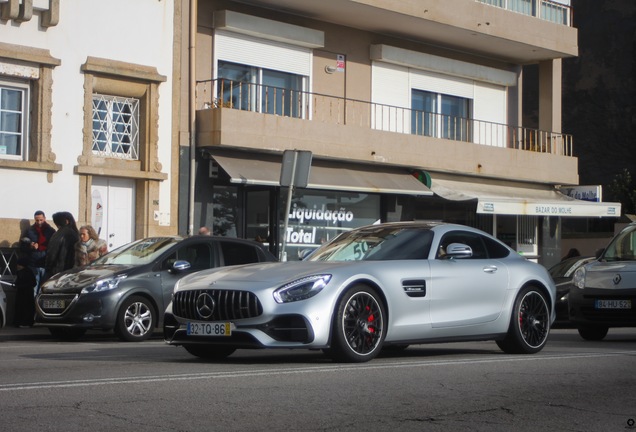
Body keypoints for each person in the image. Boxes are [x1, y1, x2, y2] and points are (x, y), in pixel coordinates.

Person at [20, 210, 56, 295]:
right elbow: (22, 247)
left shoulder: (51, 231)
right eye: (37, 220)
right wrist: (30, 247)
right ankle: (33, 307)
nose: (39, 222)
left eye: (41, 220)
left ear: (45, 218)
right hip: (33, 264)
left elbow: (54, 247)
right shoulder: (29, 231)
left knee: (44, 289)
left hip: (46, 264)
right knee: (34, 290)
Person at [44, 212, 80, 281]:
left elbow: (52, 253)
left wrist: (48, 267)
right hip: (71, 269)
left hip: (58, 270)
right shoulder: (75, 234)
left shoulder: (58, 234)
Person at [13, 257, 37, 328]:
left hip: (26, 294)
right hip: (21, 294)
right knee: (20, 308)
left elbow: (32, 283)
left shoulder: (27, 272)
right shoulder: (21, 272)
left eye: (19, 265)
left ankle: (26, 322)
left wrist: (20, 286)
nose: (17, 266)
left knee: (25, 308)